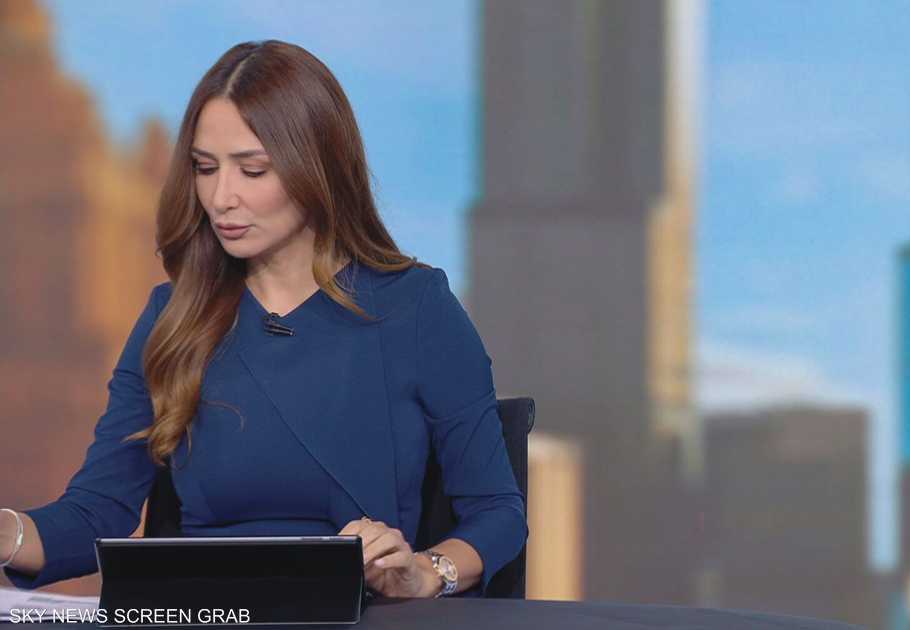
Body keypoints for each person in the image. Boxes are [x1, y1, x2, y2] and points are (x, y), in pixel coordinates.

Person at [0, 40, 526, 599]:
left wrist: (425, 572)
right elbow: (95, 512)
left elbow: (497, 512)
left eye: (252, 170)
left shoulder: (416, 306)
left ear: (317, 168)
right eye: (205, 168)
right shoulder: (172, 317)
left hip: (361, 613)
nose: (221, 197)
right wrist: (7, 532)